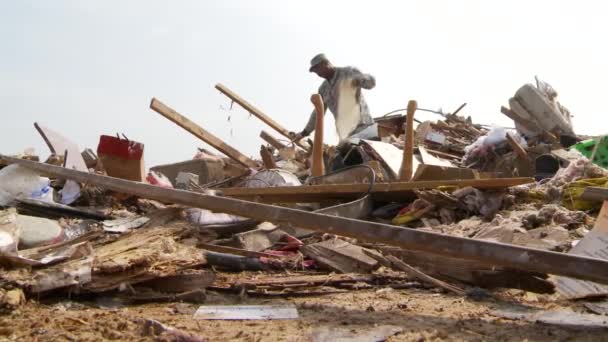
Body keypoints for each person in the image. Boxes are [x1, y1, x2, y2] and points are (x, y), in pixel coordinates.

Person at [290, 53, 376, 142]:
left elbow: (371, 84)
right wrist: (304, 133)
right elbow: (318, 113)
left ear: (326, 63)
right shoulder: (323, 89)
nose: (318, 74)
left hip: (364, 128)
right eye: (315, 72)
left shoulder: (348, 72)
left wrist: (360, 79)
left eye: (318, 69)